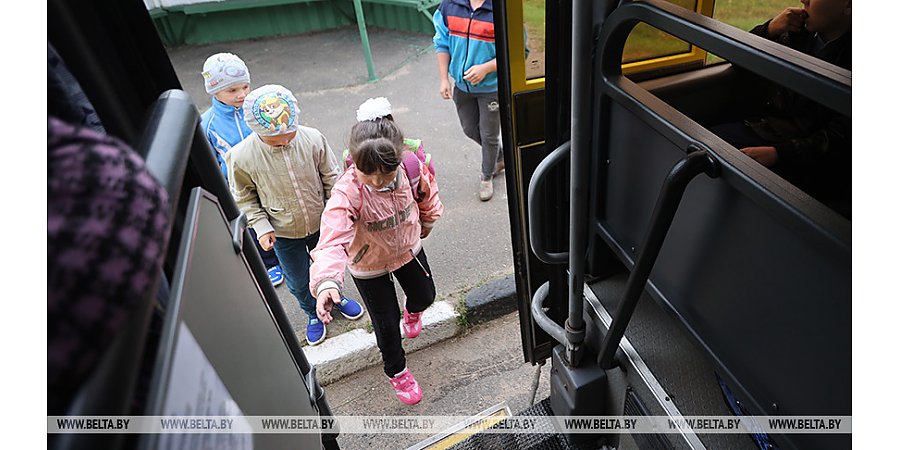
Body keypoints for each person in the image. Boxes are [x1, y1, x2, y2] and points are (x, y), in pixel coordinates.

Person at [309, 108, 444, 405]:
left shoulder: (412, 167)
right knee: (386, 324)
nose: (376, 183)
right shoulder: (347, 193)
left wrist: (429, 221)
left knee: (425, 295)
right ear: (354, 163)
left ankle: (413, 310)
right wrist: (327, 281)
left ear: (398, 161)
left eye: (385, 175)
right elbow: (331, 240)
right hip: (368, 265)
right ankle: (397, 371)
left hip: (408, 248)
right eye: (366, 175)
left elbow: (427, 194)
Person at [226, 84, 365, 346]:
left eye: (290, 135)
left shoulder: (311, 138)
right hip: (282, 232)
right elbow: (243, 197)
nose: (285, 141)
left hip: (322, 224)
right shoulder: (241, 156)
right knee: (298, 280)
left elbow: (331, 179)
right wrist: (261, 226)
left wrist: (338, 215)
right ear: (257, 130)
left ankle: (335, 296)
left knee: (331, 266)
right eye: (276, 139)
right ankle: (312, 312)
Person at [712, 0, 851, 214]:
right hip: (767, 131)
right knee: (705, 145)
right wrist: (768, 30)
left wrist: (780, 154)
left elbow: (842, 136)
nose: (804, 0)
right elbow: (738, 60)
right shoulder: (797, 32)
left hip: (809, 161)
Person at [199, 52, 285, 287]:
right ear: (214, 91)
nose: (242, 94)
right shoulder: (207, 124)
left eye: (245, 86)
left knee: (278, 213)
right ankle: (270, 262)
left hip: (268, 176)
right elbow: (209, 160)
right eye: (233, 90)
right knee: (253, 221)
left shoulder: (259, 109)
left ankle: (287, 255)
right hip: (238, 186)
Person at [433, 0, 504, 201]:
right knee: (470, 129)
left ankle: (487, 176)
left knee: (489, 135)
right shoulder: (449, 6)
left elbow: (517, 51)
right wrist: (444, 78)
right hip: (462, 87)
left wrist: (486, 68)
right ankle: (498, 157)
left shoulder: (501, 9)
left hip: (491, 88)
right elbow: (441, 42)